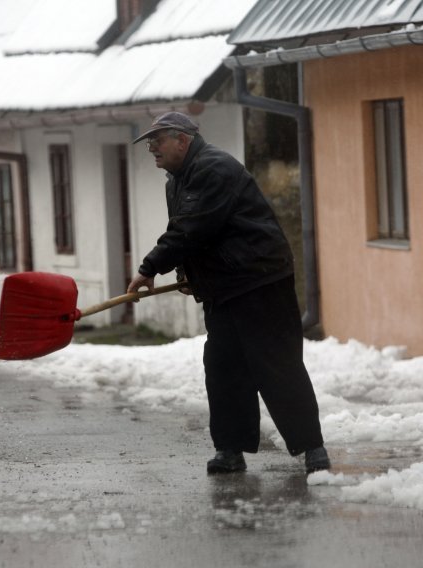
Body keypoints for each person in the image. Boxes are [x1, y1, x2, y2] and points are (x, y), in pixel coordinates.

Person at [127, 111, 330, 475]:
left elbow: (192, 227)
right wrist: (186, 271)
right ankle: (230, 449)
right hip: (224, 287)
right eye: (150, 144)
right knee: (223, 369)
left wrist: (148, 268)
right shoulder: (176, 181)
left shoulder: (212, 167)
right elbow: (190, 234)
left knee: (277, 365)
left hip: (259, 279)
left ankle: (313, 448)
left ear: (182, 140)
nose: (152, 150)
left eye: (157, 141)